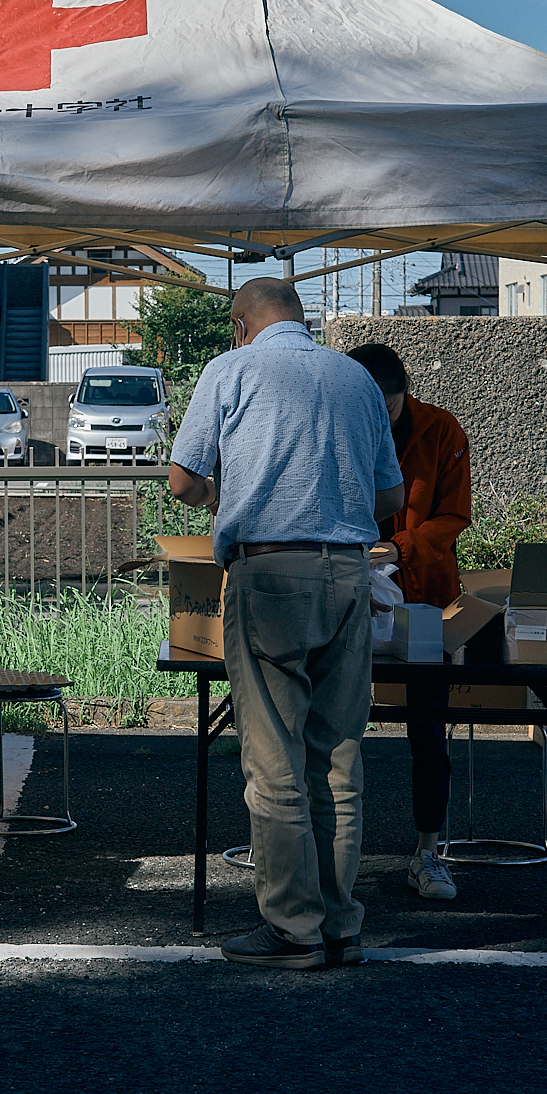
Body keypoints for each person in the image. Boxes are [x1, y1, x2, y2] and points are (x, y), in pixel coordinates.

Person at [168, 278, 404, 970]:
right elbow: (390, 494)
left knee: (274, 759)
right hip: (349, 574)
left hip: (269, 573)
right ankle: (340, 924)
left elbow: (182, 480)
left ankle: (292, 927)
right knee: (338, 757)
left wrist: (227, 491)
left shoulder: (230, 370)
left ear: (242, 324)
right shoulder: (357, 378)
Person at [345, 342, 473, 903]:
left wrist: (400, 549)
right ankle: (325, 855)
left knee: (429, 729)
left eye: (390, 407)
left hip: (426, 597)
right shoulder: (333, 424)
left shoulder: (442, 430)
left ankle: (428, 851)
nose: (382, 418)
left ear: (404, 393)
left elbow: (455, 514)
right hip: (345, 590)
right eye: (371, 407)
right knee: (332, 728)